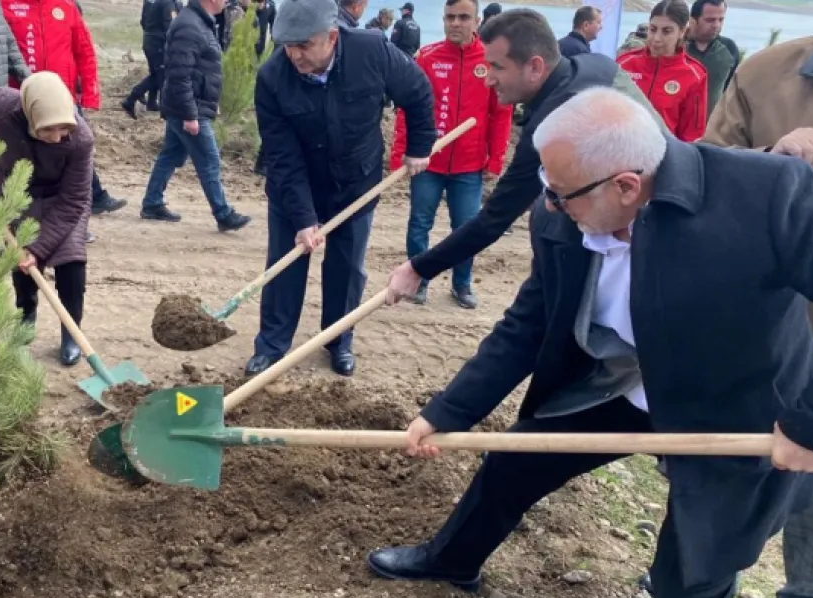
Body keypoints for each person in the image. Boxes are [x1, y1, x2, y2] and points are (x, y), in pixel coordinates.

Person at [368, 84, 813, 598]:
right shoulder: (564, 210)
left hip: (736, 407)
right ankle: (452, 560)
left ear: (627, 185)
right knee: (515, 460)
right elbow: (529, 323)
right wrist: (448, 411)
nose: (547, 204)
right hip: (628, 382)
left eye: (561, 193)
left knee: (687, 593)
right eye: (546, 184)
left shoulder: (764, 195)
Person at [383, 9, 667, 309]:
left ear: (534, 67)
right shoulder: (595, 65)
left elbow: (496, 216)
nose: (488, 80)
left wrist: (418, 268)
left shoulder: (555, 124)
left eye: (497, 67)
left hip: (646, 236)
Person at [691, 33, 813, 598]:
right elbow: (700, 187)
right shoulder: (767, 73)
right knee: (705, 540)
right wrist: (774, 171)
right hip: (748, 357)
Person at [244, 0, 435, 378]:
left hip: (355, 184)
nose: (294, 55)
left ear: (331, 37)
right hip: (295, 188)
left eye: (303, 46)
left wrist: (419, 146)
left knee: (346, 269)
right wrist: (303, 217)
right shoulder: (272, 78)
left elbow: (417, 91)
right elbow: (281, 156)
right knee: (285, 266)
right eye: (287, 46)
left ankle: (338, 341)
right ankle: (272, 345)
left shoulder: (372, 50)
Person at [0, 72, 92, 366]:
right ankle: (24, 326)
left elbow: (74, 201)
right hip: (15, 191)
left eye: (63, 128)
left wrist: (36, 250)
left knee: (72, 261)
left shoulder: (81, 140)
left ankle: (71, 333)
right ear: (30, 114)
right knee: (20, 266)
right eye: (49, 129)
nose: (58, 136)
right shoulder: (0, 104)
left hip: (62, 201)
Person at [389, 0, 513, 309]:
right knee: (419, 224)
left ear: (476, 21)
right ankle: (418, 281)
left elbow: (501, 114)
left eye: (462, 17)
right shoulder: (428, 58)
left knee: (467, 228)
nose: (455, 23)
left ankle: (462, 284)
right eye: (449, 17)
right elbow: (407, 110)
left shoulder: (489, 61)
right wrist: (400, 155)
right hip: (427, 164)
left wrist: (495, 159)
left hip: (469, 167)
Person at [1, 0, 127, 240]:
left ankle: (71, 226)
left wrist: (90, 94)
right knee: (23, 167)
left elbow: (84, 51)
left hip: (64, 103)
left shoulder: (65, 7)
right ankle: (21, 226)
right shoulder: (6, 6)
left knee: (67, 166)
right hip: (25, 104)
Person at [137, 0, 252, 232]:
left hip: (190, 106)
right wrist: (190, 115)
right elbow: (180, 75)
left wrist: (212, 102)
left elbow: (201, 70)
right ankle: (223, 213)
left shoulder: (199, 22)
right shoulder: (189, 25)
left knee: (170, 155)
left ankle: (152, 203)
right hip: (188, 109)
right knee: (209, 160)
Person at [616, 0, 708, 142]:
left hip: (664, 158)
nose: (656, 38)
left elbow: (692, 135)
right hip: (620, 153)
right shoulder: (624, 63)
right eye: (653, 29)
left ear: (682, 31)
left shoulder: (694, 75)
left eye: (666, 31)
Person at [123, 0, 181, 116]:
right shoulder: (168, 3)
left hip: (150, 41)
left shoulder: (155, 1)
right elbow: (170, 26)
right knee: (160, 75)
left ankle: (151, 102)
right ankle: (133, 97)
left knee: (156, 73)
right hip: (158, 44)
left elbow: (143, 21)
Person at [685, 0, 739, 118]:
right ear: (693, 20)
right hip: (676, 126)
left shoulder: (729, 48)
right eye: (710, 20)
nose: (716, 25)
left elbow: (731, 90)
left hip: (711, 128)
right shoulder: (678, 46)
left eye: (721, 20)